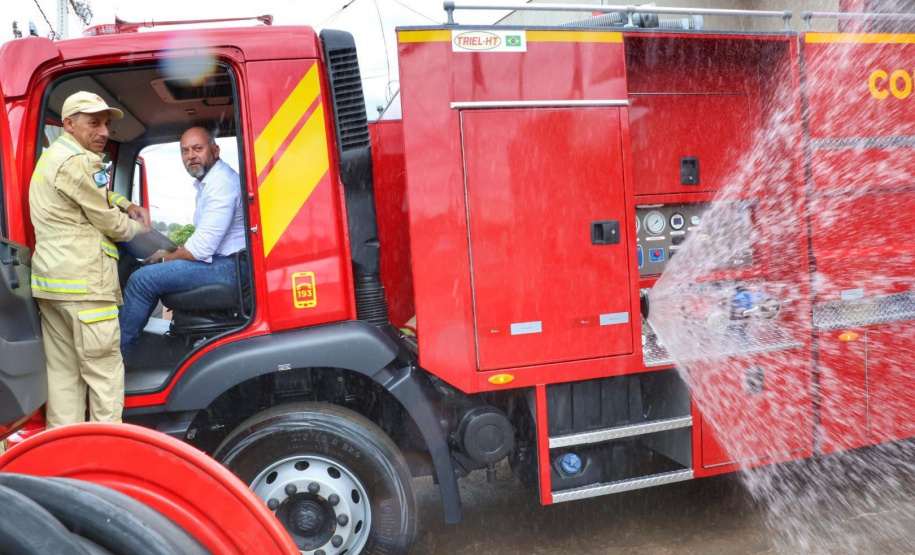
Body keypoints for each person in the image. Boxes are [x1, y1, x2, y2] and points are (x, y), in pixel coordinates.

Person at [30, 91, 151, 429]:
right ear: (69, 124)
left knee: (63, 378)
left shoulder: (53, 157)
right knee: (104, 374)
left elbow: (91, 194)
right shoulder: (81, 161)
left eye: (106, 124)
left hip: (53, 286)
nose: (104, 132)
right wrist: (138, 229)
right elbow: (110, 223)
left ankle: (64, 455)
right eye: (94, 123)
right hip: (85, 286)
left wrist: (125, 203)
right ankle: (106, 453)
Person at [119, 126, 246, 357]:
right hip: (225, 262)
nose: (190, 156)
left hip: (231, 268)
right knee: (150, 270)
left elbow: (201, 249)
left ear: (215, 151)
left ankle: (116, 359)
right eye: (185, 151)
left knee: (141, 280)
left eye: (197, 148)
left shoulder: (221, 185)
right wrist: (171, 253)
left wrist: (166, 258)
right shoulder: (210, 182)